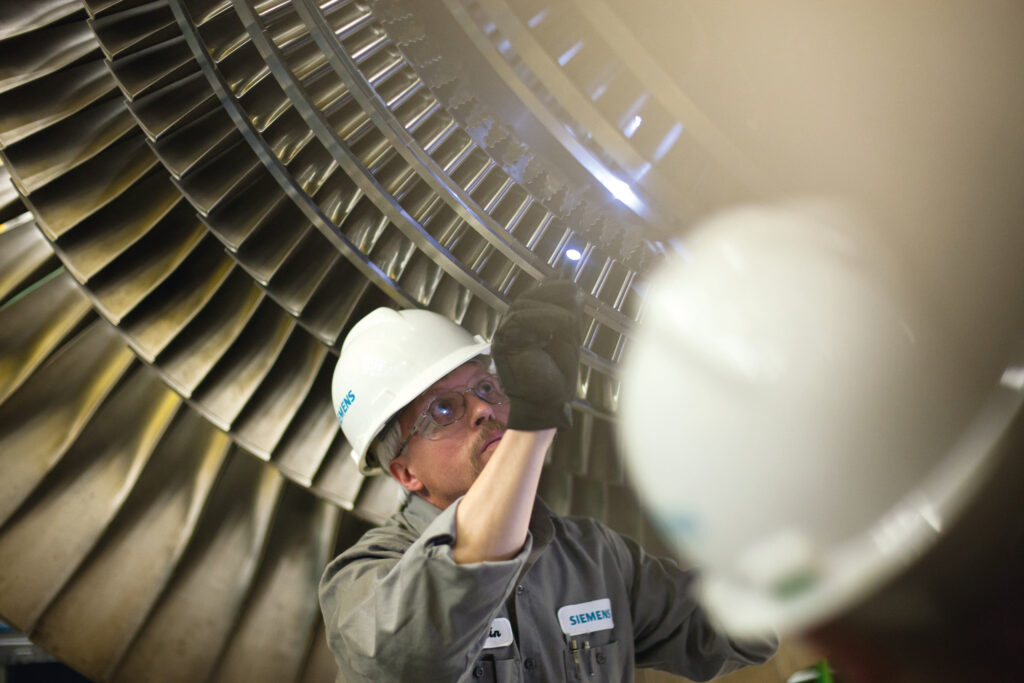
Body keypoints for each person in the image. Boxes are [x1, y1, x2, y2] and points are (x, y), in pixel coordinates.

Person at [320, 280, 777, 682]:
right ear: (406, 473)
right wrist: (532, 425)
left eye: (485, 389)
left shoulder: (595, 558)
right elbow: (407, 663)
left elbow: (738, 629)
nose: (484, 410)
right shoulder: (365, 582)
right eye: (443, 409)